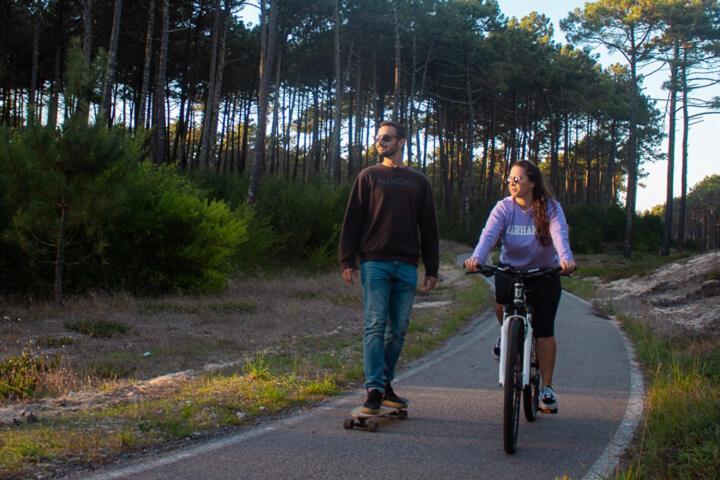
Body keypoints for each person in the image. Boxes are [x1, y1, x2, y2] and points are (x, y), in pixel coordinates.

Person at [339, 120, 439, 414]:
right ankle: (374, 389)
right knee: (375, 325)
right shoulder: (368, 176)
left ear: (402, 141)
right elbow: (353, 220)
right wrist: (347, 259)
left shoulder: (419, 181)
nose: (380, 142)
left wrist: (431, 268)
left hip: (407, 265)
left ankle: (384, 384)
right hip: (375, 263)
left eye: (387, 137)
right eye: (378, 138)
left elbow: (429, 226)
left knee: (399, 330)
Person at [464, 160, 575, 414]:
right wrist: (477, 258)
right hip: (510, 270)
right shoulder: (504, 208)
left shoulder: (550, 208)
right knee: (501, 302)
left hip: (544, 272)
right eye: (510, 179)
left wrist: (566, 259)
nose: (512, 183)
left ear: (532, 182)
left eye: (518, 179)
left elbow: (559, 235)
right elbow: (488, 235)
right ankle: (506, 334)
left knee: (545, 331)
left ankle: (546, 388)